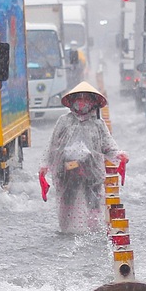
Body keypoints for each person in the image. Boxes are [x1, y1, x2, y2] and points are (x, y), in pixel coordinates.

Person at [39, 81, 128, 234]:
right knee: (67, 200)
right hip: (67, 170)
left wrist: (119, 155)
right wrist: (45, 165)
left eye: (85, 99)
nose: (81, 103)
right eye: (78, 98)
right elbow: (52, 145)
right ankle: (66, 230)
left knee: (93, 201)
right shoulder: (64, 121)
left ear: (93, 102)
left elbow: (108, 145)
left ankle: (93, 231)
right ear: (72, 101)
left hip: (91, 171)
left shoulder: (98, 124)